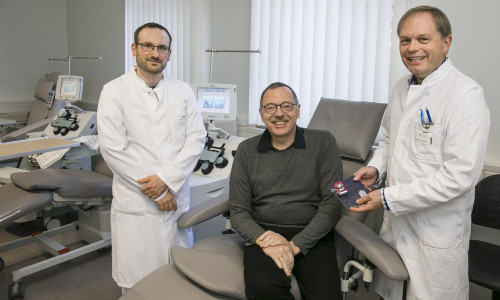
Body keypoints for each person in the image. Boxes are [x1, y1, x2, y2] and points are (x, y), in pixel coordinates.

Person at [351, 6, 490, 300]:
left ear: (446, 43)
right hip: (397, 228)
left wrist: (388, 197)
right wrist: (376, 168)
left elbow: (459, 176)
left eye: (423, 39)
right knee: (392, 292)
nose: (413, 48)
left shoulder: (465, 94)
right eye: (405, 40)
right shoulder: (401, 87)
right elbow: (389, 139)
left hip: (435, 236)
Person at [97, 22, 206, 292]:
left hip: (175, 194)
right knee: (139, 284)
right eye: (148, 46)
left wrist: (167, 181)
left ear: (169, 53)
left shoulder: (183, 91)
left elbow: (196, 138)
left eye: (162, 48)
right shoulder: (113, 91)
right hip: (138, 201)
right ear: (134, 49)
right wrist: (156, 191)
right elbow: (113, 149)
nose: (155, 53)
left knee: (180, 278)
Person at [229, 82, 343, 300]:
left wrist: (293, 246)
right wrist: (263, 238)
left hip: (312, 232)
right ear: (261, 114)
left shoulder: (323, 143)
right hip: (265, 233)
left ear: (298, 110)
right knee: (264, 288)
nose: (279, 114)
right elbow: (238, 210)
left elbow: (333, 203)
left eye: (286, 106)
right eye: (270, 107)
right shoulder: (246, 150)